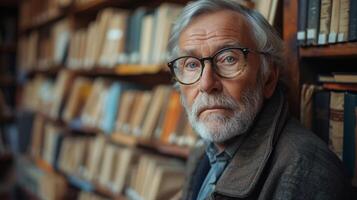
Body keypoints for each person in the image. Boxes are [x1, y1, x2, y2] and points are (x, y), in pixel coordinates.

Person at [167, 0, 350, 199]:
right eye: (191, 65)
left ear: (268, 78)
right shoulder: (201, 153)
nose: (206, 84)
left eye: (228, 58)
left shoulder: (309, 173)